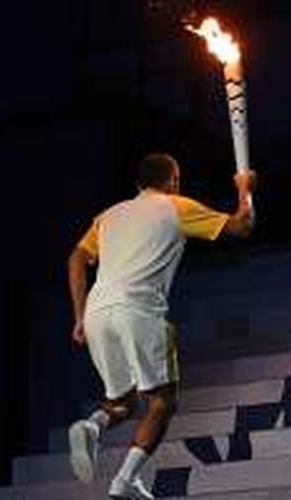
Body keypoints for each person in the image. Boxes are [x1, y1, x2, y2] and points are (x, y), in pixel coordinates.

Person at [66, 152, 256, 499]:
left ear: (138, 184)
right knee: (162, 402)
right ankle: (125, 481)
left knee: (122, 401)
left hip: (97, 311)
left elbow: (76, 258)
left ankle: (92, 426)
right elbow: (242, 226)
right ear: (173, 181)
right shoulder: (175, 206)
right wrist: (245, 189)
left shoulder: (109, 216)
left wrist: (79, 316)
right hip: (139, 309)